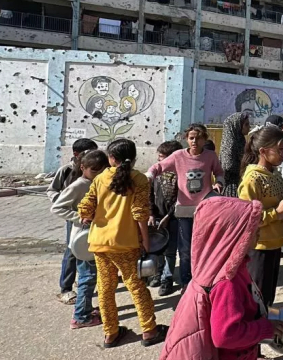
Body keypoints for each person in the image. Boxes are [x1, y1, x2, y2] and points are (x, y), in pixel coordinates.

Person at [158, 196, 283, 360]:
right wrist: (265, 328)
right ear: (231, 235)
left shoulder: (228, 267)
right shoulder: (227, 283)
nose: (258, 230)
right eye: (250, 227)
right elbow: (226, 336)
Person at [78, 138, 168, 348]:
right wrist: (146, 242)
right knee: (136, 286)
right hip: (125, 243)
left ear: (111, 158)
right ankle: (149, 330)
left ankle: (110, 333)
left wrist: (85, 216)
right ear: (134, 157)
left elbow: (87, 204)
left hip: (100, 241)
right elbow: (140, 214)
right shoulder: (138, 179)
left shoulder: (101, 178)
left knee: (105, 288)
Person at [147, 123, 225, 291]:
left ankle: (204, 280)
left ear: (205, 139)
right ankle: (186, 283)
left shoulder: (210, 156)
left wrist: (219, 182)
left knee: (204, 248)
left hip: (205, 210)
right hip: (184, 211)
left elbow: (219, 172)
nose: (194, 141)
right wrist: (149, 175)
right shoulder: (178, 156)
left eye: (198, 138)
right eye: (191, 138)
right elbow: (158, 167)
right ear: (186, 139)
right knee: (185, 249)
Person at [50, 149, 109, 329]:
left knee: (90, 277)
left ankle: (85, 308)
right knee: (87, 277)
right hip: (83, 240)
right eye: (94, 170)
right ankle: (81, 316)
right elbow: (57, 207)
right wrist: (81, 217)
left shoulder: (99, 182)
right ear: (83, 168)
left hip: (95, 237)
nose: (97, 174)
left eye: (101, 170)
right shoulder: (79, 185)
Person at [238, 126, 283, 307]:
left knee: (268, 296)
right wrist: (276, 212)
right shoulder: (252, 179)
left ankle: (265, 329)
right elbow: (247, 219)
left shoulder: (274, 174)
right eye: (280, 149)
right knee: (256, 299)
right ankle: (256, 333)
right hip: (259, 246)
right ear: (263, 151)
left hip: (275, 243)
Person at [47, 137, 98, 305]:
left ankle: (83, 281)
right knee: (72, 251)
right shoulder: (67, 170)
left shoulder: (96, 170)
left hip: (93, 220)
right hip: (75, 218)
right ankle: (66, 288)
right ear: (77, 155)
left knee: (89, 251)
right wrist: (62, 202)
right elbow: (53, 190)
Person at [149, 140, 183, 296]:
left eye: (162, 157)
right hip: (156, 217)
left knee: (170, 251)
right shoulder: (155, 174)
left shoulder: (180, 175)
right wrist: (151, 214)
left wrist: (169, 216)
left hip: (173, 218)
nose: (159, 160)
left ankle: (166, 280)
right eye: (158, 157)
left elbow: (180, 198)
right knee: (157, 248)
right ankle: (158, 273)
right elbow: (148, 195)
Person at [220, 112, 252, 198]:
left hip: (240, 181)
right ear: (237, 125)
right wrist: (244, 167)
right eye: (246, 124)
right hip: (232, 186)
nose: (249, 127)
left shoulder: (240, 139)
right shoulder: (230, 143)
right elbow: (227, 165)